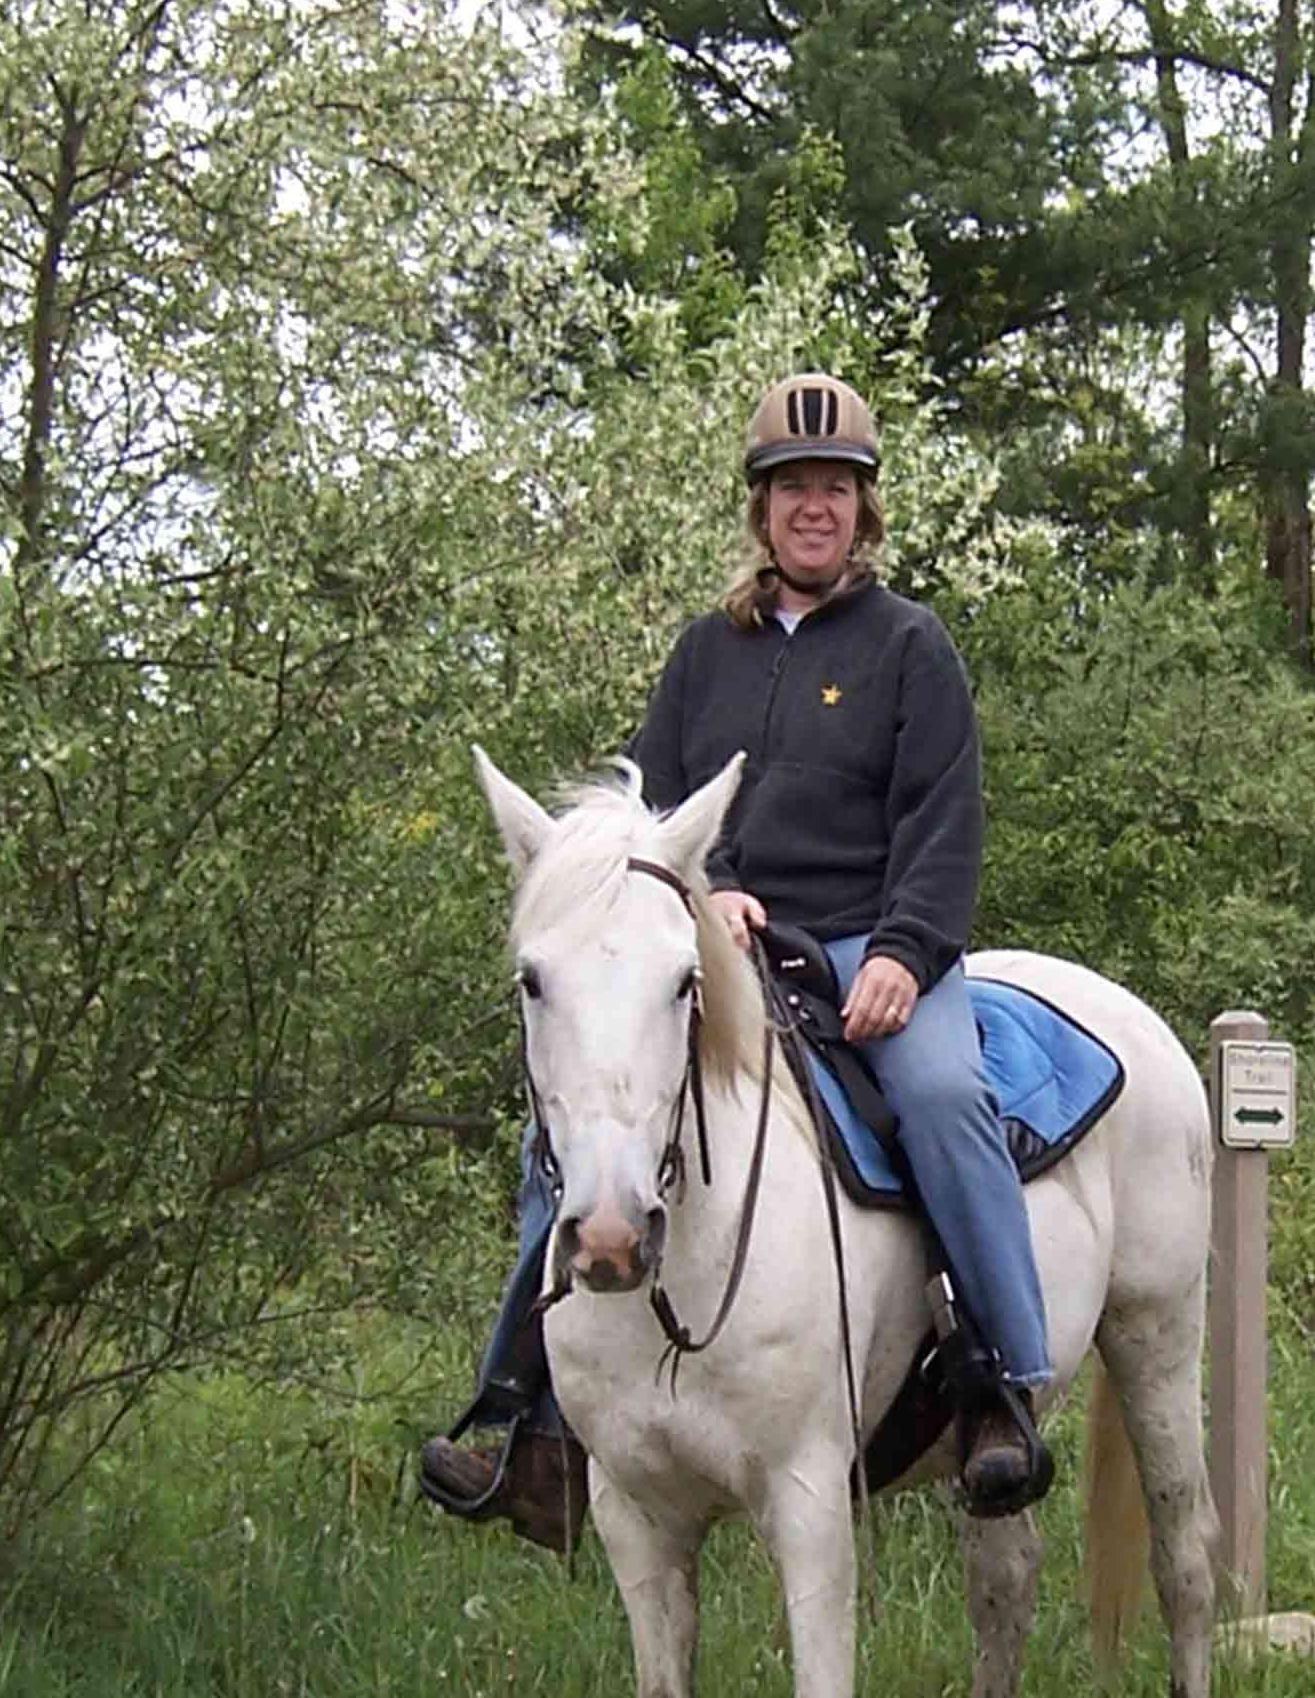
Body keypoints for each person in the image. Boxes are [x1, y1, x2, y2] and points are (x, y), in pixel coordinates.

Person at [419, 373, 1057, 1552]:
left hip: (873, 949)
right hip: (723, 946)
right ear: (761, 510)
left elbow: (944, 821)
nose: (813, 507)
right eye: (791, 489)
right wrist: (707, 898)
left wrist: (908, 958)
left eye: (835, 490)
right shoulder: (703, 652)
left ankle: (1000, 1386)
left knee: (942, 1096)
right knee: (565, 1128)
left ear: (864, 512)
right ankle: (532, 1417)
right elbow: (644, 826)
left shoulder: (912, 646)